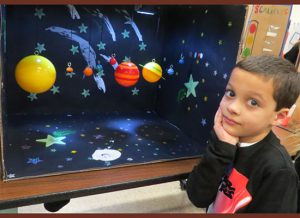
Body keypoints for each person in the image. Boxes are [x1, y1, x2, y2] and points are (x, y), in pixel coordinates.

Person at [186, 55, 300, 213]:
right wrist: (221, 149)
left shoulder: (279, 171)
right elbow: (197, 196)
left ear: (278, 117)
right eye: (230, 93)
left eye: (253, 102)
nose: (232, 107)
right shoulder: (224, 137)